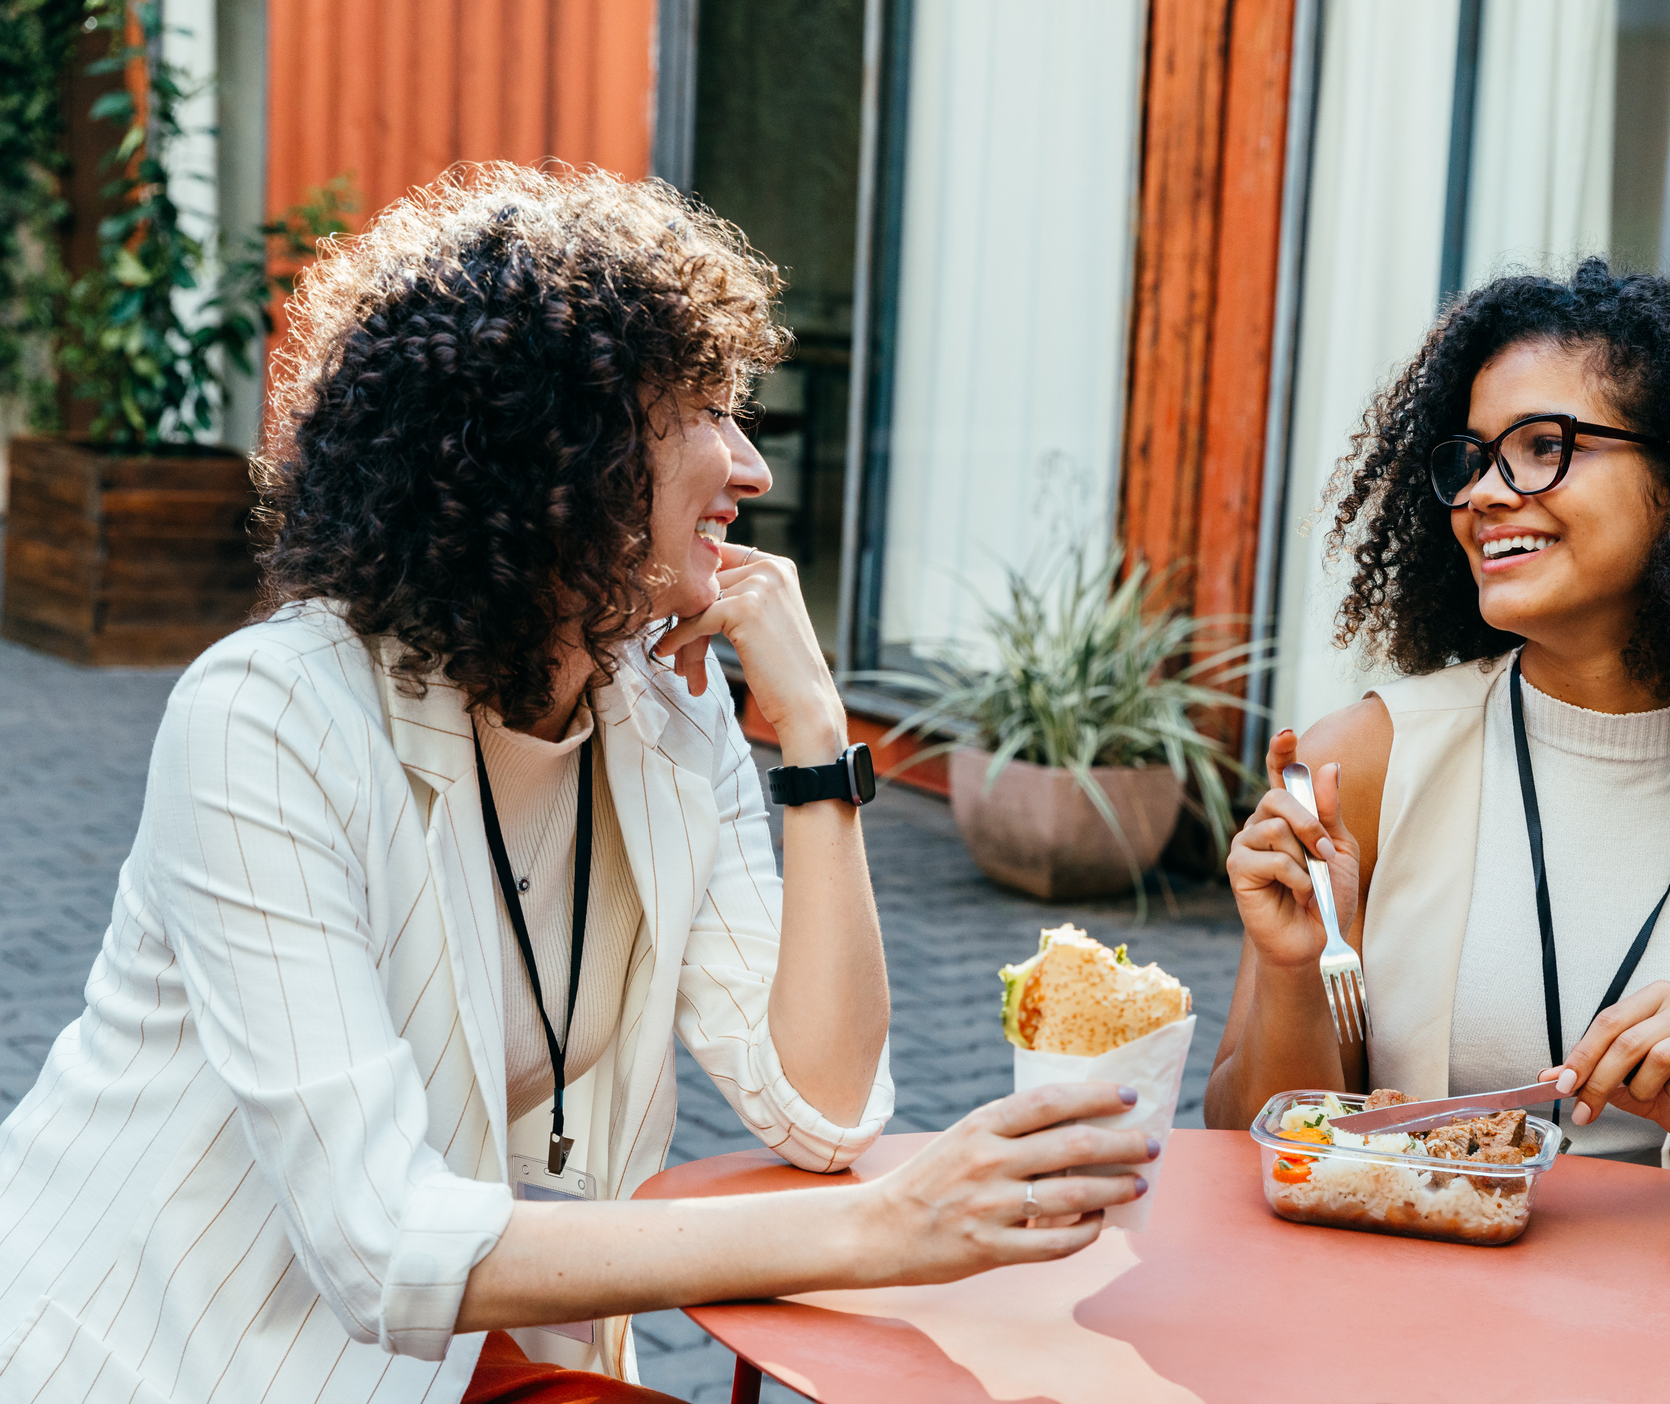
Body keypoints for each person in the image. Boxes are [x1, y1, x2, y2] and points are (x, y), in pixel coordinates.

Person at [0, 165, 1153, 1404]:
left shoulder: (663, 713)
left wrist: (815, 738)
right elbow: (379, 1239)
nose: (752, 468)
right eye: (704, 411)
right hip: (158, 1354)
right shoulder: (267, 715)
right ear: (548, 453)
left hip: (415, 1364)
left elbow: (818, 1109)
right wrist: (885, 1227)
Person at [1206, 260, 1670, 1261]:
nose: (1478, 494)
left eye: (1540, 447)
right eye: (1470, 459)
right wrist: (1297, 971)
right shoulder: (1366, 762)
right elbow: (1241, 1140)